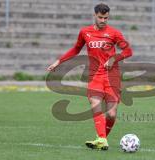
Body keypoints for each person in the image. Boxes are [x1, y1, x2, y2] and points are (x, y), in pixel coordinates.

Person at [47, 3, 133, 150]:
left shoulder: (114, 33)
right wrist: (59, 61)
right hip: (95, 76)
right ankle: (101, 140)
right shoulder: (84, 32)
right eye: (100, 17)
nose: (103, 21)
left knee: (111, 114)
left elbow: (128, 51)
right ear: (94, 15)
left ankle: (101, 139)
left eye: (106, 18)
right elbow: (75, 49)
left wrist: (113, 59)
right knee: (95, 105)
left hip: (112, 76)